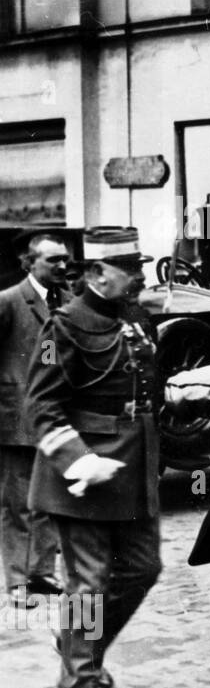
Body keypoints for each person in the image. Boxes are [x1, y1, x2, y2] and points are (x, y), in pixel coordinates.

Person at [26, 228, 161, 688]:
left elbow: (145, 389)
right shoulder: (64, 325)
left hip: (132, 467)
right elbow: (40, 406)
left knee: (143, 569)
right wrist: (80, 461)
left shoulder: (137, 319)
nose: (142, 275)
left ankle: (79, 643)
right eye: (132, 267)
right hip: (80, 476)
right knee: (89, 585)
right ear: (99, 273)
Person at [0, 233, 70, 608]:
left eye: (65, 260)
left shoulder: (68, 303)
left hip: (55, 420)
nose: (62, 266)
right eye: (53, 260)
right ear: (29, 264)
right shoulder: (9, 302)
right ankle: (17, 581)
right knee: (17, 505)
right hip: (15, 421)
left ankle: (42, 572)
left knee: (49, 500)